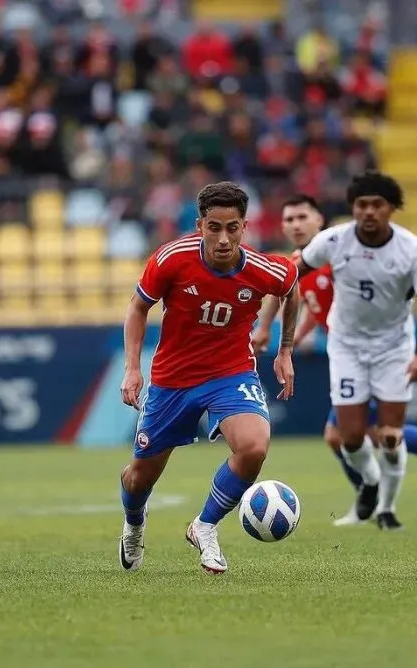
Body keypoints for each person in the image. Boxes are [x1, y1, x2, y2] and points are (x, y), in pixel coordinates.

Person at [253, 194, 417, 527]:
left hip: (377, 354)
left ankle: (378, 499)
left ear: (320, 221)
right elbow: (309, 302)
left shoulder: (341, 256)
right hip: (349, 354)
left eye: (302, 217)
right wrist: (299, 331)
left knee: (364, 434)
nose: (294, 224)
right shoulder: (303, 262)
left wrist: (272, 328)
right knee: (369, 434)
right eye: (288, 219)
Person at [118, 181, 300, 575]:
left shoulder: (264, 269)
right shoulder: (171, 259)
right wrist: (132, 367)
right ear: (199, 225)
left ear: (244, 227)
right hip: (173, 379)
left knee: (254, 447)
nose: (222, 238)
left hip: (230, 372)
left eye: (231, 228)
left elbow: (291, 285)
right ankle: (134, 525)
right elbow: (137, 309)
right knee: (138, 478)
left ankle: (204, 526)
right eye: (213, 227)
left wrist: (285, 349)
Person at [294, 172, 417, 531]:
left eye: (378, 204)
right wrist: (269, 325)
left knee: (391, 435)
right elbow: (290, 275)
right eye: (362, 205)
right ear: (353, 208)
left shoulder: (413, 250)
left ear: (392, 208)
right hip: (346, 345)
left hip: (393, 348)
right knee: (350, 439)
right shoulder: (333, 241)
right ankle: (371, 484)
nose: (369, 212)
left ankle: (387, 510)